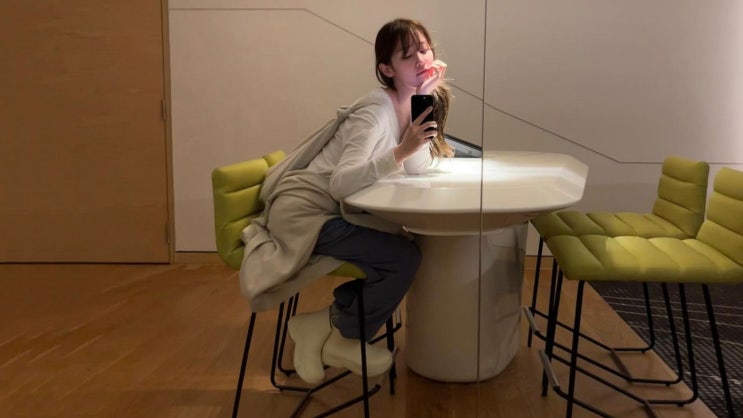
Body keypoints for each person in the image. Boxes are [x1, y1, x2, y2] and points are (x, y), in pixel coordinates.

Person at [238, 18, 454, 384]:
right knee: (403, 258)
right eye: (407, 55)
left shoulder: (410, 102)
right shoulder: (375, 111)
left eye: (424, 49)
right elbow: (340, 184)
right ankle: (343, 336)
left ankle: (322, 327)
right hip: (305, 213)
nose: (421, 59)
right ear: (387, 69)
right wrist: (401, 150)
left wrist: (424, 103)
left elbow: (415, 167)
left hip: (332, 211)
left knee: (404, 250)